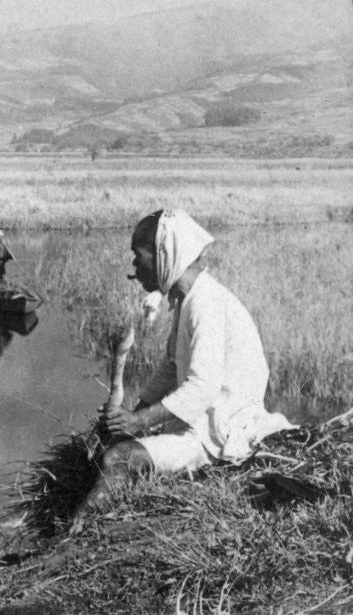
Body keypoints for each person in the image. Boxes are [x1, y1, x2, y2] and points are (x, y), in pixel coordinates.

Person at [70, 208, 292, 533]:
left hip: (219, 433)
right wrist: (134, 415)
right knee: (114, 448)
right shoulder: (189, 300)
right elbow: (170, 366)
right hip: (204, 424)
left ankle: (78, 534)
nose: (135, 266)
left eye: (138, 256)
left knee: (118, 458)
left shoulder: (206, 305)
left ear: (164, 255)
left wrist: (139, 422)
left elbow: (202, 387)